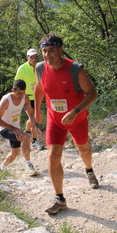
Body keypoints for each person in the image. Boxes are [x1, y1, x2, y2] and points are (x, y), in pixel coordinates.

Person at [34, 33, 99, 215]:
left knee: (83, 149)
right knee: (53, 155)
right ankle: (59, 198)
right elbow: (39, 87)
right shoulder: (40, 68)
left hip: (77, 120)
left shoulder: (75, 69)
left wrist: (75, 111)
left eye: (52, 51)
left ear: (61, 50)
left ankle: (89, 170)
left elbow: (92, 93)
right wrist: (38, 109)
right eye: (44, 51)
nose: (47, 55)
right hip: (55, 121)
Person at [0, 79, 41, 176]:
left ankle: (1, 169)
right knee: (26, 137)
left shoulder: (25, 98)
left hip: (16, 128)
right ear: (13, 90)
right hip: (4, 128)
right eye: (19, 93)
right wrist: (13, 129)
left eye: (23, 93)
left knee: (15, 153)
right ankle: (28, 165)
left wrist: (35, 126)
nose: (21, 96)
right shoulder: (6, 100)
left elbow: (31, 115)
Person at [15, 49, 45, 150]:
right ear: (27, 57)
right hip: (26, 97)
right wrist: (18, 97)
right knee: (34, 118)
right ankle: (34, 141)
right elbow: (17, 83)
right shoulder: (22, 68)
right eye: (32, 57)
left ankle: (26, 132)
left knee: (34, 118)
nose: (34, 59)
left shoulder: (40, 67)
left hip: (37, 97)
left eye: (36, 56)